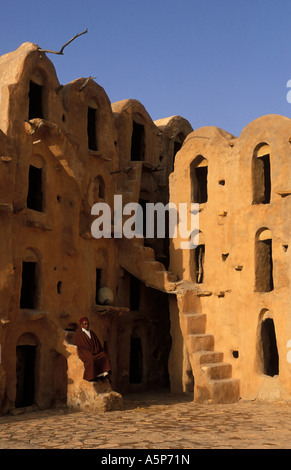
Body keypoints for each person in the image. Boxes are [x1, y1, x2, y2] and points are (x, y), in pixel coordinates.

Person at [73, 316, 111, 382]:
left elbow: (97, 343)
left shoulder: (92, 333)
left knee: (104, 356)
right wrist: (88, 352)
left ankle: (102, 374)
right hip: (85, 352)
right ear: (81, 325)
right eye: (84, 324)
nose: (86, 325)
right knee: (90, 358)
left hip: (94, 351)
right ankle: (91, 377)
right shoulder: (79, 334)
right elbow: (79, 346)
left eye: (87, 323)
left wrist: (97, 350)